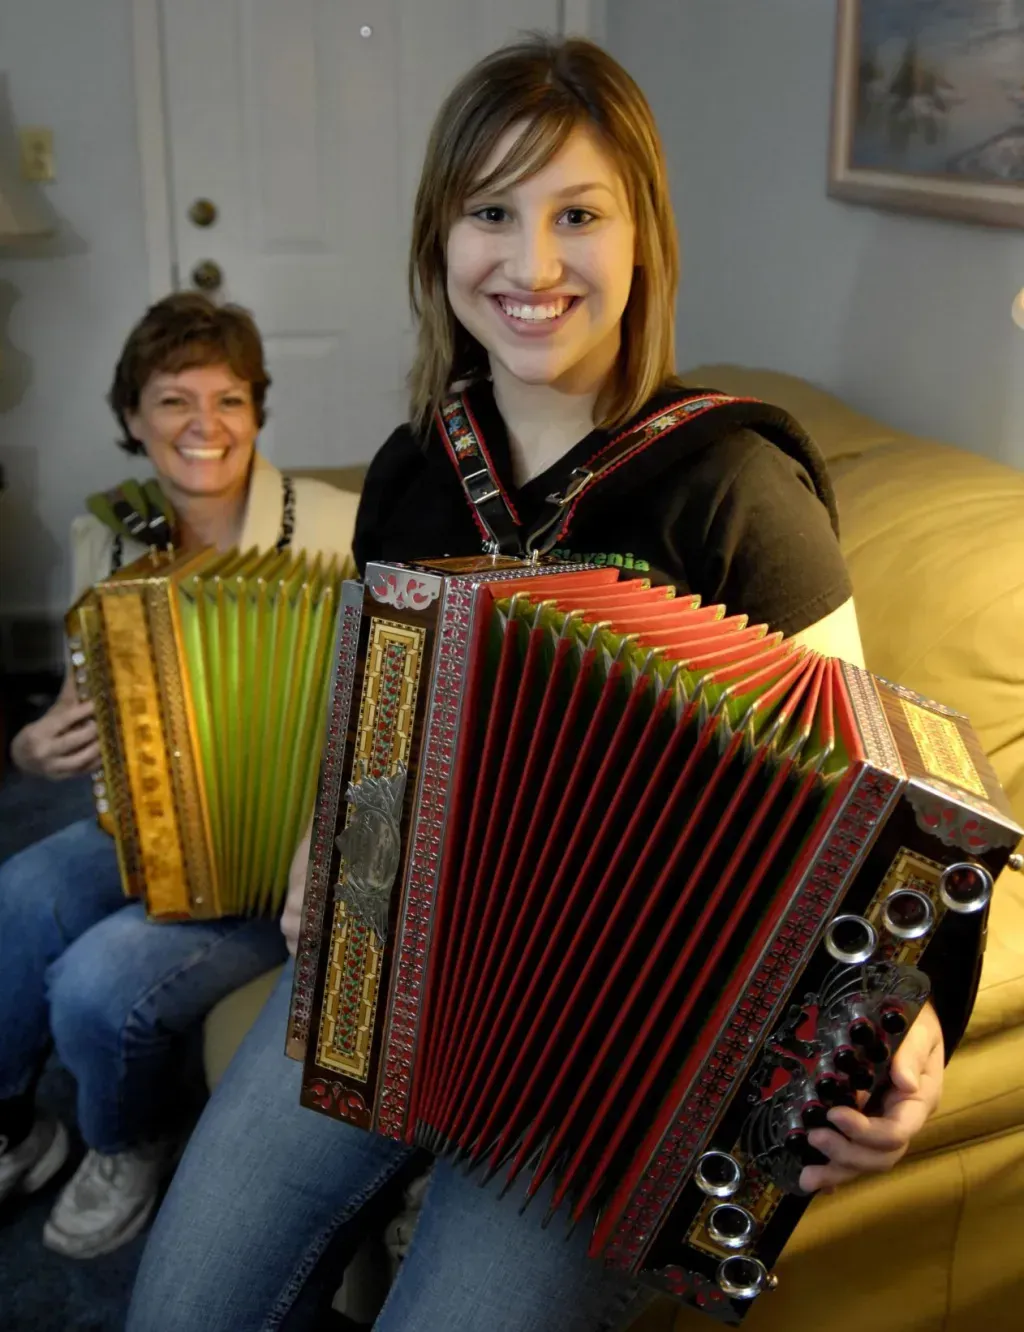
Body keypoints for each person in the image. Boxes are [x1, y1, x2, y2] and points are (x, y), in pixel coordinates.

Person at [127, 38, 950, 1332]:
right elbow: (377, 714)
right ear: (439, 238)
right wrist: (323, 838)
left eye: (580, 215)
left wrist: (914, 1021)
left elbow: (883, 811)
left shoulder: (734, 487)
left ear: (643, 238)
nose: (534, 266)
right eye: (492, 214)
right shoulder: (413, 471)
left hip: (623, 1066)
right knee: (178, 1308)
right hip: (388, 969)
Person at [0, 292, 358, 1259]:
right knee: (19, 891)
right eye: (172, 401)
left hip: (282, 862)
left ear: (257, 410)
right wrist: (33, 746)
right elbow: (93, 703)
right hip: (155, 827)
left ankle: (129, 1140)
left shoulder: (342, 527)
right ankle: (13, 1127)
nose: (205, 427)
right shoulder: (108, 536)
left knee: (92, 981)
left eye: (230, 399)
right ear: (131, 418)